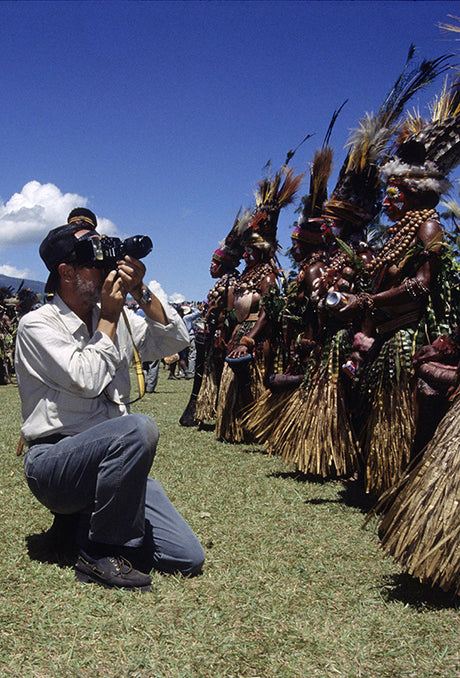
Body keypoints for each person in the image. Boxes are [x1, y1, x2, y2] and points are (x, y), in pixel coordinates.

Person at [15, 223, 205, 591]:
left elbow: (172, 341)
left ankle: (80, 526)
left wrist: (141, 291)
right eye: (93, 263)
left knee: (186, 556)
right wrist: (109, 320)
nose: (105, 269)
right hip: (55, 465)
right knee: (138, 428)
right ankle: (98, 555)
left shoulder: (113, 313)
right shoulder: (36, 325)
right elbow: (86, 379)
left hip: (112, 465)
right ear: (66, 273)